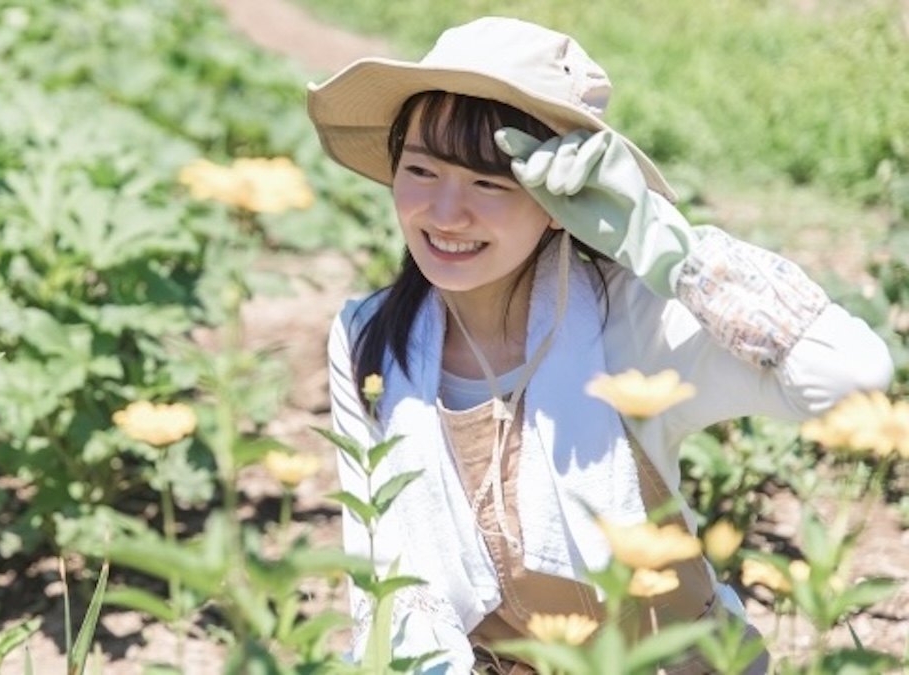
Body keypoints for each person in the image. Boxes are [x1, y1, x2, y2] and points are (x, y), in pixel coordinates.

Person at [306, 15, 893, 674]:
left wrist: (668, 248)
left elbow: (851, 376)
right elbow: (384, 578)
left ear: (563, 196)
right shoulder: (370, 336)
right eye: (421, 169)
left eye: (489, 183)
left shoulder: (633, 319)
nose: (445, 213)